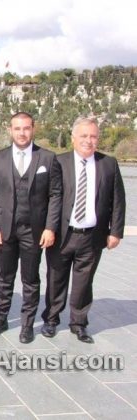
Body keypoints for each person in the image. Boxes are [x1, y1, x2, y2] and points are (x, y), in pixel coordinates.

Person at [41, 117, 125, 343]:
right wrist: (48, 228)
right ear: (73, 138)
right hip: (62, 234)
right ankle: (51, 320)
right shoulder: (58, 162)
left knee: (84, 283)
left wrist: (115, 232)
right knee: (55, 279)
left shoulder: (109, 163)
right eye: (84, 136)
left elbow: (118, 200)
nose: (88, 140)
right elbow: (48, 199)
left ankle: (78, 323)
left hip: (92, 236)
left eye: (93, 136)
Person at [0, 112, 62, 344]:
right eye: (17, 128)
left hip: (34, 230)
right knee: (5, 277)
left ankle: (27, 325)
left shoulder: (48, 158)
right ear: (11, 130)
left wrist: (50, 227)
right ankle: (0, 319)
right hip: (6, 229)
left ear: (33, 129)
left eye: (26, 128)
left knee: (30, 280)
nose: (22, 133)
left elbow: (55, 195)